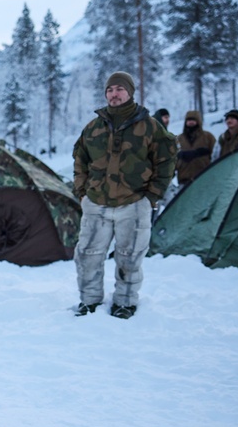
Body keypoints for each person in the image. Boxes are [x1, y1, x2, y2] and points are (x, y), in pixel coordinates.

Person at [72, 71, 176, 319]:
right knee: (87, 256)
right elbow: (80, 159)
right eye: (109, 90)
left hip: (134, 204)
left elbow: (167, 159)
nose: (113, 94)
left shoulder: (149, 126)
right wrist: (82, 193)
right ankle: (90, 302)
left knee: (129, 259)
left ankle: (125, 303)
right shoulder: (94, 127)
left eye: (119, 89)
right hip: (96, 204)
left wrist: (151, 196)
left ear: (129, 92)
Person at [176, 111, 215, 187]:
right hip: (184, 181)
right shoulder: (179, 139)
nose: (190, 122)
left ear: (198, 121)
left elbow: (216, 155)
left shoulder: (208, 137)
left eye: (193, 120)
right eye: (188, 120)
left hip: (204, 179)